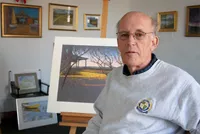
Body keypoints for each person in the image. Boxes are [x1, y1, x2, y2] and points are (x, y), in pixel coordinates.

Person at [83, 11, 200, 134]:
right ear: (118, 42)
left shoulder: (178, 81)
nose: (130, 42)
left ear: (153, 42)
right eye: (124, 35)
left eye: (139, 34)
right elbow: (99, 120)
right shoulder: (113, 76)